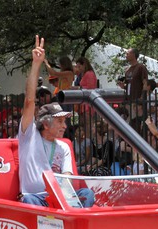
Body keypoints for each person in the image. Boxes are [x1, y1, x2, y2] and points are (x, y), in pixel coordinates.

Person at [17, 35, 94, 208]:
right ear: (45, 123)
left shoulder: (64, 146)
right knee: (29, 201)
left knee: (87, 194)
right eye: (59, 122)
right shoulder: (29, 136)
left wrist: (66, 197)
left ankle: (75, 228)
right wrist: (36, 64)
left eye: (64, 122)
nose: (65, 126)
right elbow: (29, 101)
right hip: (36, 197)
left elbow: (67, 176)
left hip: (60, 197)